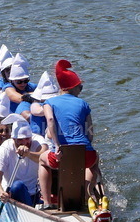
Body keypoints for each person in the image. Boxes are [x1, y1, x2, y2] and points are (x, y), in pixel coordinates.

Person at [38, 59, 102, 208]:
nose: (81, 89)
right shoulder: (84, 104)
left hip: (61, 154)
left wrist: (56, 145)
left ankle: (47, 203)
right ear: (73, 87)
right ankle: (87, 196)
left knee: (42, 160)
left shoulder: (49, 102)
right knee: (94, 162)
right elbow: (90, 132)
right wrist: (87, 146)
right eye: (80, 86)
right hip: (85, 153)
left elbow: (50, 120)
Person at [0, 118, 46, 206]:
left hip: (34, 194)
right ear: (13, 139)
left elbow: (44, 156)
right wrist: (1, 193)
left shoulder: (37, 141)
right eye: (20, 139)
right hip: (13, 192)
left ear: (31, 137)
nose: (24, 142)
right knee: (18, 185)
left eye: (27, 139)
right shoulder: (6, 147)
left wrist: (28, 154)